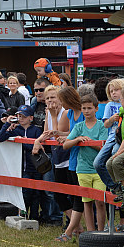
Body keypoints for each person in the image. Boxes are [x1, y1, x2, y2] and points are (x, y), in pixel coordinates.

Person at [62, 94, 108, 231]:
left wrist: (87, 142)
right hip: (82, 169)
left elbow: (102, 146)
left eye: (89, 108)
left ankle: (100, 230)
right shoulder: (79, 126)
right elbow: (66, 144)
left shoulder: (101, 125)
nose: (87, 111)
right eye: (84, 108)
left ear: (96, 109)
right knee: (87, 202)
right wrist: (77, 140)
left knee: (100, 201)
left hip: (98, 169)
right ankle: (90, 231)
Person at [32, 85, 73, 227]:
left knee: (69, 192)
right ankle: (68, 220)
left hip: (68, 156)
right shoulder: (48, 113)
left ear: (60, 99)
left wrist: (54, 116)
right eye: (47, 98)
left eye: (53, 97)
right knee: (56, 191)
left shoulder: (65, 113)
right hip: (56, 157)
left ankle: (71, 221)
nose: (50, 101)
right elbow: (46, 132)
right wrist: (37, 141)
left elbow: (56, 134)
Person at [0, 105, 43, 220]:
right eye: (18, 116)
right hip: (23, 168)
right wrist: (7, 123)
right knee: (25, 193)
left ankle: (34, 217)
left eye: (23, 116)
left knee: (36, 194)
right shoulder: (16, 129)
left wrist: (23, 142)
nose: (20, 118)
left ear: (31, 118)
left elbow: (38, 147)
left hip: (36, 167)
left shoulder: (37, 130)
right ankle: (23, 214)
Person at [54, 86, 85, 241]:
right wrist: (61, 134)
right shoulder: (70, 113)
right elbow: (72, 132)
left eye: (61, 100)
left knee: (79, 197)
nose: (60, 103)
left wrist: (68, 138)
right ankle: (76, 228)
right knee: (75, 195)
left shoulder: (83, 112)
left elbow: (84, 133)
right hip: (73, 158)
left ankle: (69, 231)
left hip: (83, 159)